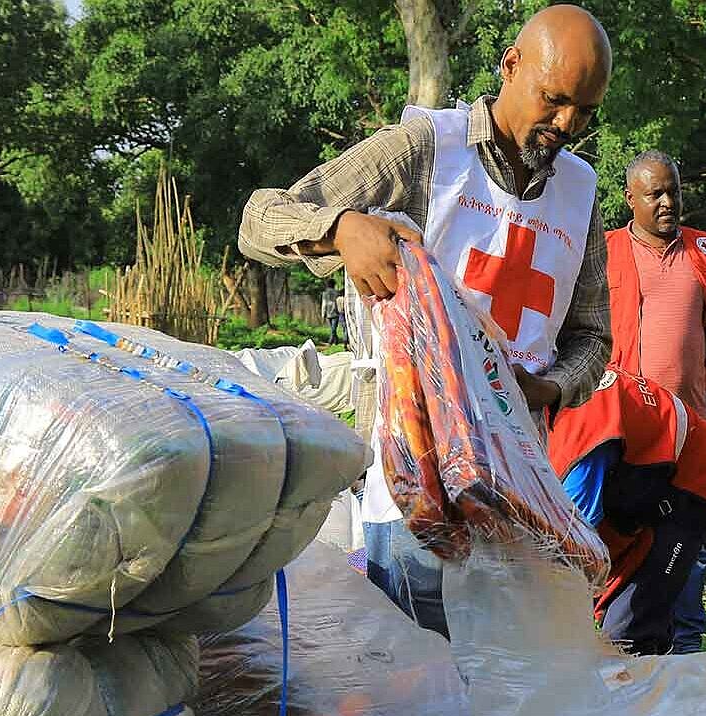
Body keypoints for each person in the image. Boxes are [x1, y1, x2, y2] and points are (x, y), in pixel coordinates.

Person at [237, 5, 616, 638]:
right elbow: (261, 218)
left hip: (519, 490)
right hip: (417, 487)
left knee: (505, 697)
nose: (566, 124)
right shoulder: (424, 151)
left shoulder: (580, 194)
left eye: (585, 110)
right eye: (553, 100)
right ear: (510, 66)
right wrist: (339, 229)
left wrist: (546, 388)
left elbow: (592, 337)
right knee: (418, 697)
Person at [602, 149, 706, 652]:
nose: (668, 202)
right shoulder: (606, 249)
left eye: (673, 190)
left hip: (690, 423)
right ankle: (626, 641)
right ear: (631, 198)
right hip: (627, 426)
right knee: (631, 533)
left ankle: (687, 646)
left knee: (687, 536)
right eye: (655, 193)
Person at [549, 368, 706, 655]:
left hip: (694, 484)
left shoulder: (581, 433)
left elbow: (575, 546)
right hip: (642, 486)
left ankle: (672, 661)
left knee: (627, 638)